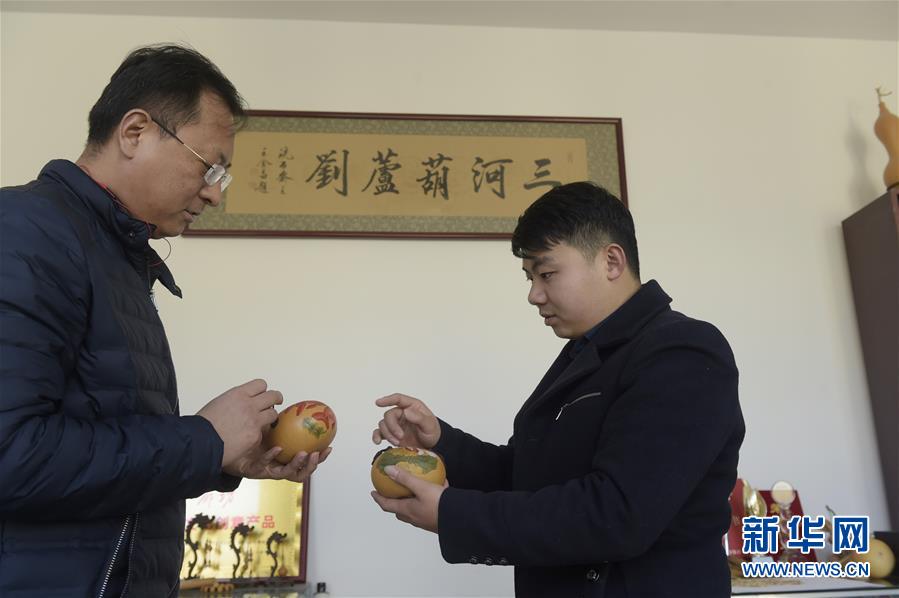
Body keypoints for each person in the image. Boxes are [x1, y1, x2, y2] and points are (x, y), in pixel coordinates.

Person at [0, 45, 329, 597]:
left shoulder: (110, 252)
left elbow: (106, 439)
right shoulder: (26, 232)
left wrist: (225, 457)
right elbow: (11, 455)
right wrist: (203, 440)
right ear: (135, 132)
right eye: (209, 167)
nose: (214, 194)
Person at [371, 182, 744, 597]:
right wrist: (441, 442)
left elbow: (617, 514)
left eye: (547, 274)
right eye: (529, 277)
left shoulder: (683, 350)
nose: (534, 295)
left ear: (612, 261)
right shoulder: (584, 353)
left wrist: (452, 514)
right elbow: (529, 477)